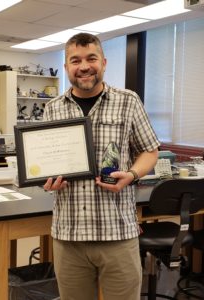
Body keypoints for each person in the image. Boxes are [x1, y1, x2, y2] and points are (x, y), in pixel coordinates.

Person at [43, 32, 160, 300]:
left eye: (91, 58)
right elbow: (47, 158)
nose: (84, 66)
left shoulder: (128, 101)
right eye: (75, 60)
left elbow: (150, 151)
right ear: (66, 68)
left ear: (104, 62)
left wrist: (131, 174)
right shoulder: (52, 108)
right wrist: (47, 179)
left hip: (117, 232)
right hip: (68, 234)